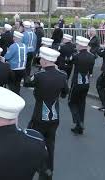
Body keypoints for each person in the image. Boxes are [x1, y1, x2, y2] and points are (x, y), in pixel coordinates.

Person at [28, 47, 69, 180]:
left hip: (39, 116)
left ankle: (36, 169)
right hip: (54, 117)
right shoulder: (62, 75)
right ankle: (48, 172)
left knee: (34, 143)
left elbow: (27, 82)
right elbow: (64, 94)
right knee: (50, 145)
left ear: (44, 60)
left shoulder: (40, 75)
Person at [68, 36, 95, 135]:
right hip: (86, 83)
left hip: (76, 83)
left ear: (80, 45)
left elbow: (69, 62)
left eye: (77, 44)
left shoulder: (76, 56)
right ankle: (79, 126)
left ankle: (78, 121)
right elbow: (91, 71)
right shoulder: (92, 56)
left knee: (71, 102)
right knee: (81, 104)